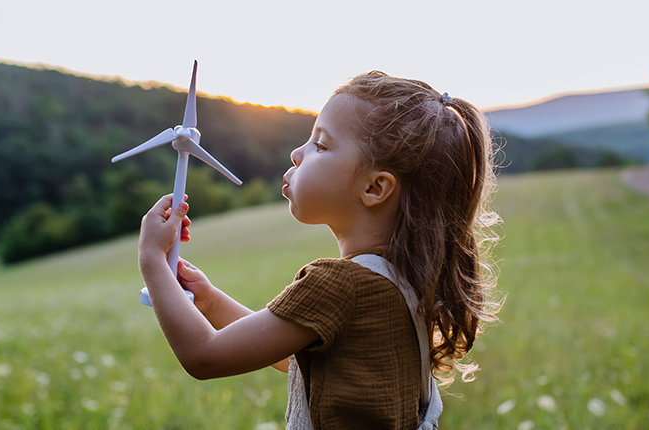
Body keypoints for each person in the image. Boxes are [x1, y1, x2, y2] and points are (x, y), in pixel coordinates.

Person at [137, 71, 502, 429]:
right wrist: (211, 301)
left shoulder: (339, 284)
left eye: (321, 144)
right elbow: (291, 354)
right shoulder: (402, 281)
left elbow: (204, 357)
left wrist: (153, 258)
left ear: (375, 188)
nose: (297, 153)